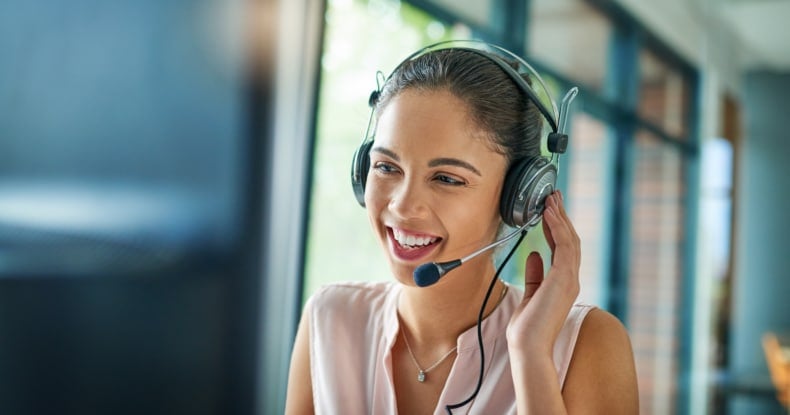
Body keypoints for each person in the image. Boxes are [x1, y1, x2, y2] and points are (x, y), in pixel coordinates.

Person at [285, 41, 638, 414]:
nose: (403, 206)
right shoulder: (330, 318)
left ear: (521, 197)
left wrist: (531, 354)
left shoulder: (589, 344)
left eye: (447, 179)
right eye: (387, 167)